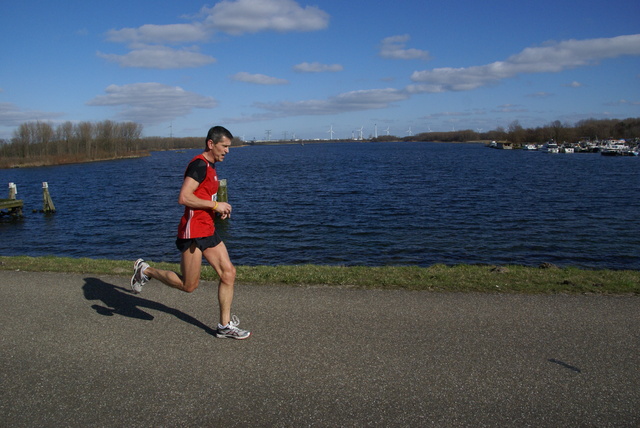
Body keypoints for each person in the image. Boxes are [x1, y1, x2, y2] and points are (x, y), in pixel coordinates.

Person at [130, 125, 250, 340]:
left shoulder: (211, 167)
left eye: (229, 147)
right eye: (224, 146)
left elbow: (203, 198)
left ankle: (224, 326)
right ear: (211, 144)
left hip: (207, 228)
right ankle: (146, 270)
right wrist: (215, 206)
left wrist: (217, 208)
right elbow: (184, 197)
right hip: (193, 231)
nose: (227, 151)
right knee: (189, 286)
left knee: (228, 273)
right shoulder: (199, 165)